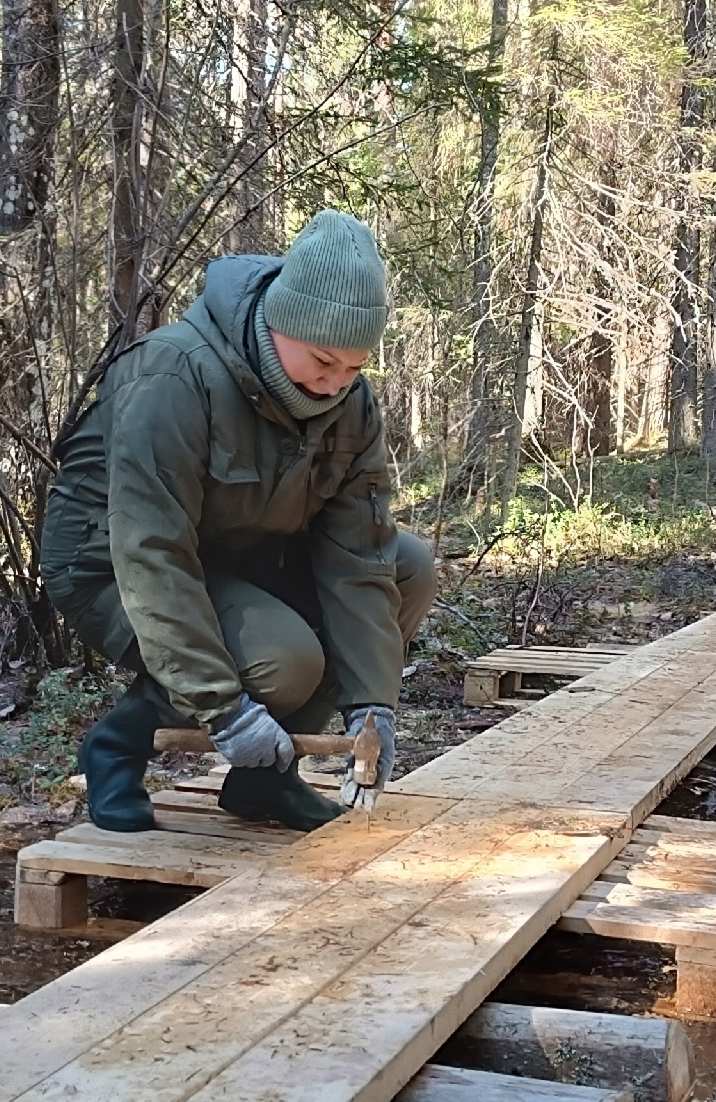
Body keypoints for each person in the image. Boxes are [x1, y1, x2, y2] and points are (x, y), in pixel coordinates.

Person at [40, 209, 436, 833]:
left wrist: (373, 705)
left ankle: (264, 781)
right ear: (280, 322)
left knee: (409, 566)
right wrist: (225, 712)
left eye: (355, 367)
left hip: (237, 552)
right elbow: (151, 552)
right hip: (110, 562)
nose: (335, 383)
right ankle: (117, 747)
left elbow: (361, 554)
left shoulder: (350, 406)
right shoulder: (176, 374)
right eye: (323, 360)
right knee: (283, 661)